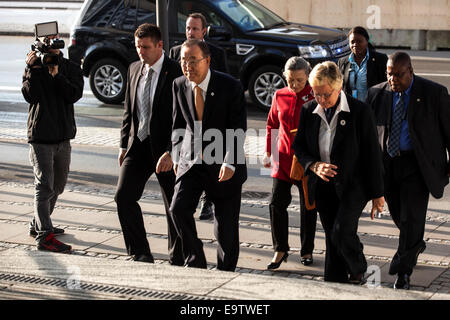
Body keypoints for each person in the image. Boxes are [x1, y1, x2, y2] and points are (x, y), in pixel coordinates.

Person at [293, 61, 385, 284]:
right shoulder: (308, 111)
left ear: (339, 88)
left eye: (326, 95)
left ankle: (360, 267)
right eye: (316, 94)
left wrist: (377, 195)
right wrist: (314, 165)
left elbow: (372, 154)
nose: (321, 101)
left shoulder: (360, 111)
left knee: (341, 231)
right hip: (323, 185)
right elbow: (299, 146)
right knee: (332, 237)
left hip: (355, 184)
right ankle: (334, 283)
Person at [366, 52, 450, 289]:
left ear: (410, 71)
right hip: (389, 163)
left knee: (411, 217)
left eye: (398, 75)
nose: (393, 79)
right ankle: (414, 244)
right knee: (398, 214)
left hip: (418, 165)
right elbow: (368, 133)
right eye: (389, 74)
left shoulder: (434, 93)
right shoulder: (377, 94)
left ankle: (403, 270)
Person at [168, 39, 247, 271]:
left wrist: (230, 161)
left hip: (224, 161)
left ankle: (226, 271)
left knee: (225, 226)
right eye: (183, 61)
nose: (187, 66)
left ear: (207, 60)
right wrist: (175, 155)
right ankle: (195, 261)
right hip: (191, 161)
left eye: (193, 61)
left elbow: (238, 128)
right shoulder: (179, 84)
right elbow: (178, 124)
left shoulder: (230, 86)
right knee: (178, 209)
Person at [114, 23, 183, 265]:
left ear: (160, 46)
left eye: (145, 47)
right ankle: (140, 252)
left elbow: (184, 117)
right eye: (137, 47)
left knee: (174, 206)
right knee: (123, 197)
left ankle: (178, 256)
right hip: (138, 145)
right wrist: (123, 145)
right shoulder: (134, 68)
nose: (140, 52)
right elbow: (128, 110)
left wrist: (172, 151)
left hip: (165, 150)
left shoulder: (176, 72)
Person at [22, 33, 84, 253]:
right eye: (48, 43)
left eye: (55, 42)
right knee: (44, 186)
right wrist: (33, 70)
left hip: (63, 136)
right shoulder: (35, 66)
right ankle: (45, 236)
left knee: (58, 185)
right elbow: (30, 96)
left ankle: (38, 223)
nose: (52, 48)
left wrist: (57, 75)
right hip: (41, 136)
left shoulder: (70, 67)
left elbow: (73, 94)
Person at [170, 13, 229, 220]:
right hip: (190, 123)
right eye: (188, 28)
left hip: (214, 122)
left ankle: (208, 202)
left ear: (204, 31)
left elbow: (227, 85)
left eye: (195, 29)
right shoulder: (176, 51)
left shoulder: (216, 53)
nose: (190, 32)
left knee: (212, 168)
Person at [263, 56, 317, 270]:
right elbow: (272, 124)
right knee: (276, 203)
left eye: (299, 81)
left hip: (306, 161)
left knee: (308, 206)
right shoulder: (280, 95)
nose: (294, 85)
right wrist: (269, 153)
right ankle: (280, 248)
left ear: (308, 78)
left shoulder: (315, 95)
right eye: (290, 80)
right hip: (283, 159)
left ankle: (307, 250)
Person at [338, 26, 388, 102]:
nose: (355, 44)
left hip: (372, 108)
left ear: (367, 41)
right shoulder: (343, 62)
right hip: (351, 109)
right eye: (352, 42)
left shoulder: (380, 59)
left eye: (359, 41)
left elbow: (386, 86)